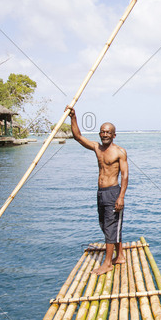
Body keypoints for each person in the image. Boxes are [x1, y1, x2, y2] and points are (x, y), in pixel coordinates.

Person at [67, 106, 128, 275]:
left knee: (110, 226)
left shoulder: (120, 152)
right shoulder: (97, 148)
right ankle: (120, 255)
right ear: (100, 134)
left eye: (108, 132)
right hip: (100, 193)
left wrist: (121, 196)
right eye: (102, 132)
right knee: (105, 225)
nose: (105, 134)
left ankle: (108, 263)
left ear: (114, 135)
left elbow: (125, 176)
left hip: (113, 192)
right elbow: (77, 137)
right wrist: (73, 116)